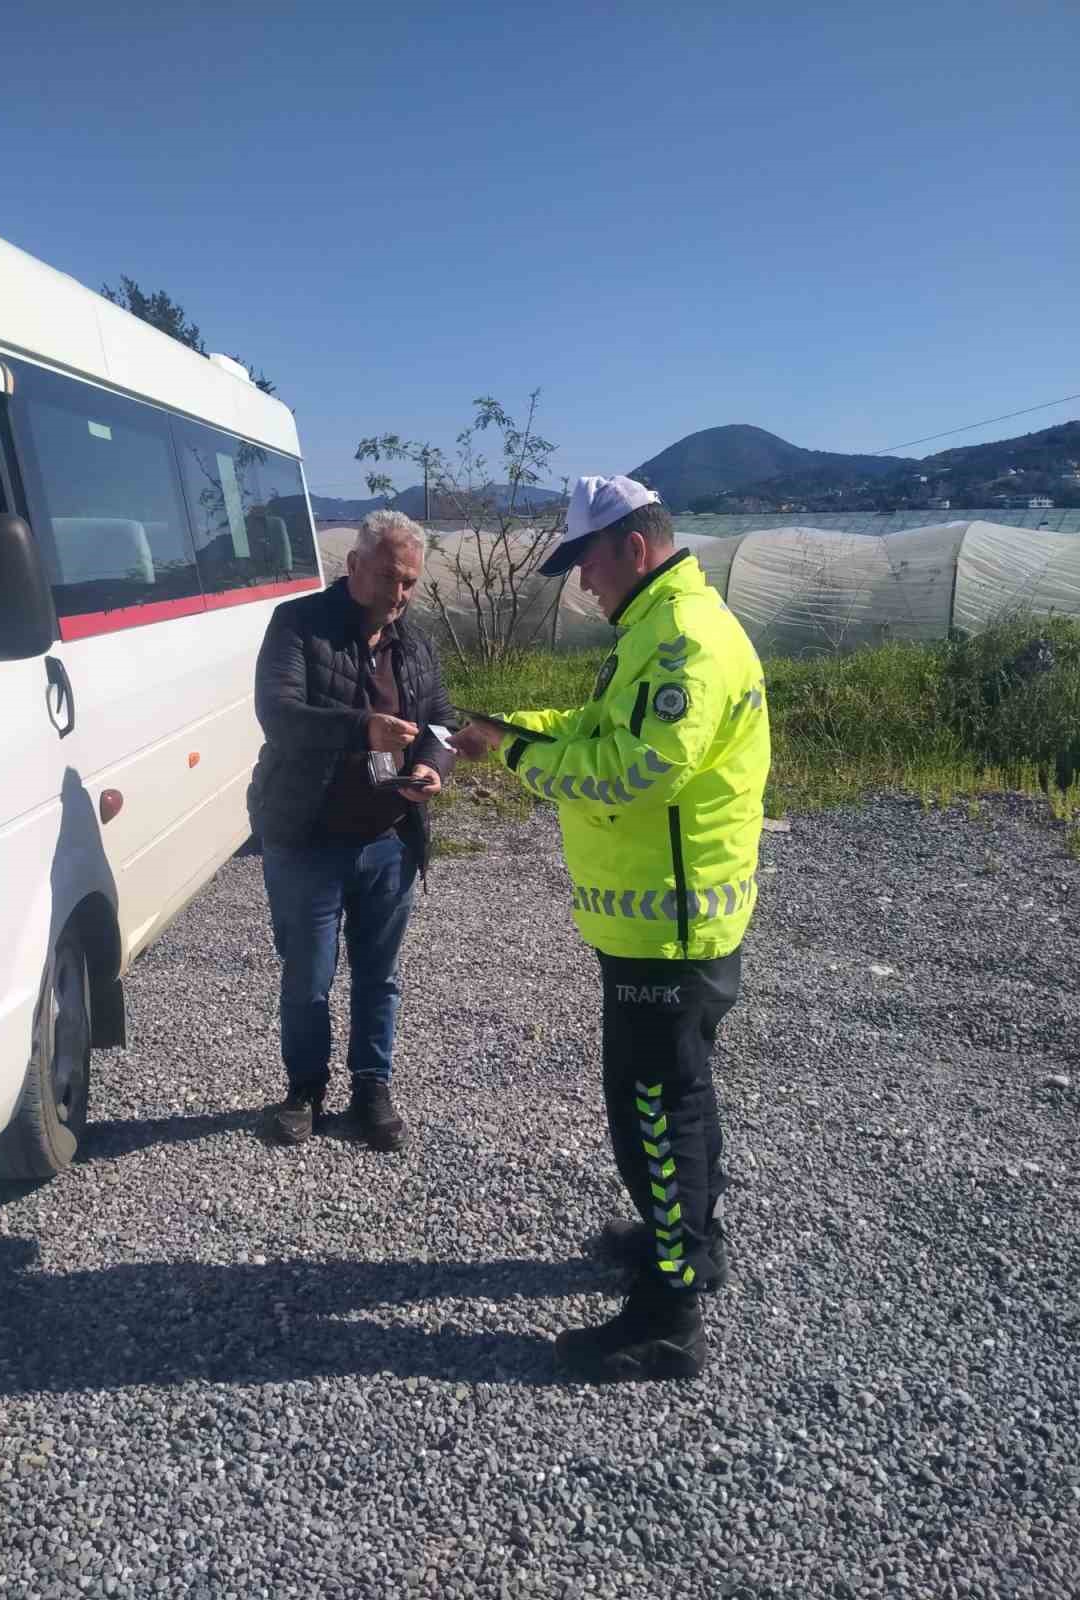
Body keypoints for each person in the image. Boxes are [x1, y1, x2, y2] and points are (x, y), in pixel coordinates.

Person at [451, 476, 770, 1381]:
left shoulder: (684, 642)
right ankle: (688, 1247)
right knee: (683, 1097)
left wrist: (515, 754)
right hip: (666, 925)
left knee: (653, 1113)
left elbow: (634, 770)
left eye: (584, 562)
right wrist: (502, 727)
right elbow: (595, 725)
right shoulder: (654, 631)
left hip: (668, 934)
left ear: (633, 548)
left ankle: (669, 1316)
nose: (581, 583)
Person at [248, 509, 456, 1152]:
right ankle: (306, 1088)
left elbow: (441, 720)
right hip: (308, 837)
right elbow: (278, 713)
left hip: (388, 840)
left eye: (412, 583)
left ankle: (372, 1085)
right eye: (392, 578)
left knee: (378, 973)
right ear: (355, 566)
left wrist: (431, 763)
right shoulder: (298, 624)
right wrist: (360, 728)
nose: (401, 594)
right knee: (307, 975)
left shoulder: (413, 644)